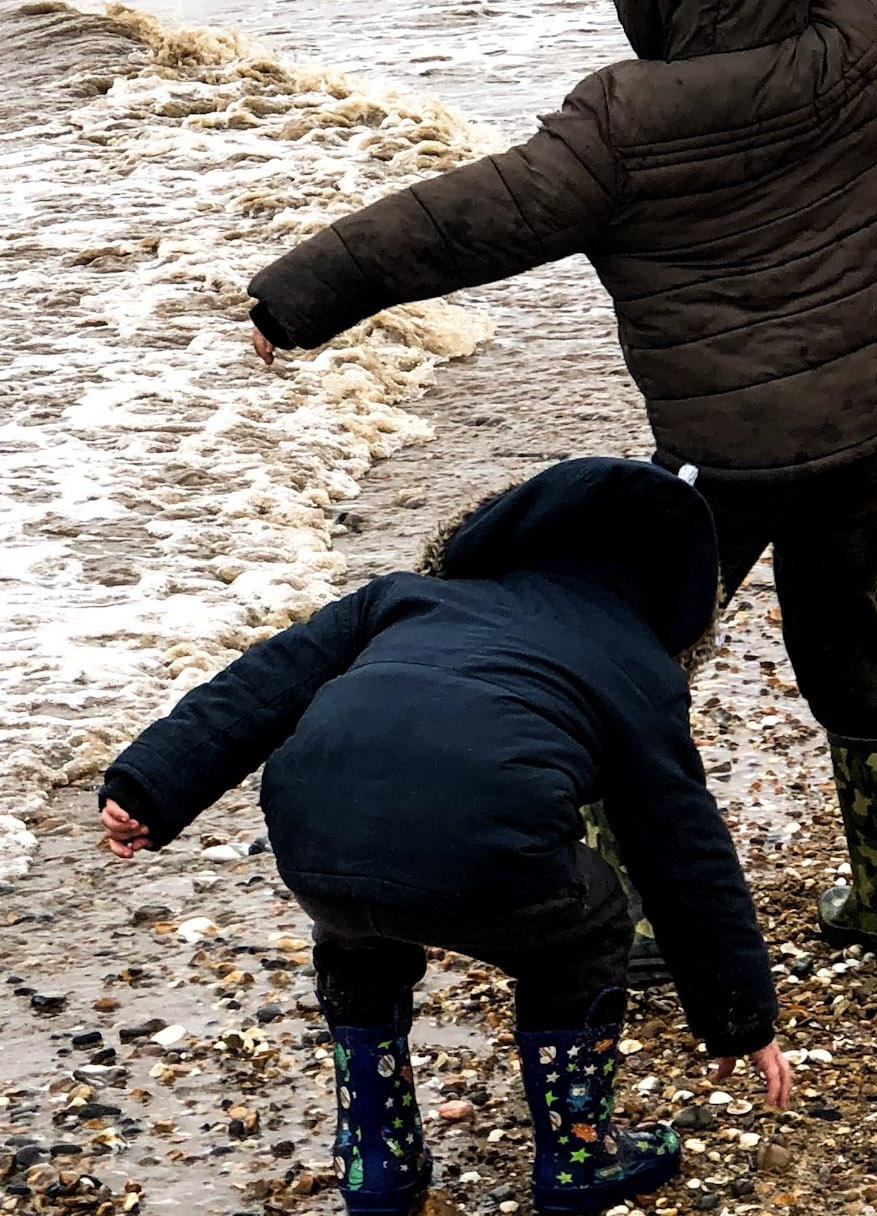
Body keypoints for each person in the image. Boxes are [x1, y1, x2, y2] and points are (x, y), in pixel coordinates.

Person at [242, 0, 877, 970]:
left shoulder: (618, 129)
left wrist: (298, 298)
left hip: (728, 449)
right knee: (844, 627)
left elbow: (456, 221)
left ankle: (628, 919)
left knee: (626, 652)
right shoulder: (855, 42)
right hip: (873, 402)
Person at [98, 459, 791, 1216]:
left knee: (357, 921)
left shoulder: (405, 596)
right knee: (588, 922)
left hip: (316, 832)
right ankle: (579, 1154)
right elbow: (682, 852)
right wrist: (737, 1017)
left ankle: (378, 1157)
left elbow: (258, 686)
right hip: (485, 852)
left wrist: (148, 787)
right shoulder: (638, 670)